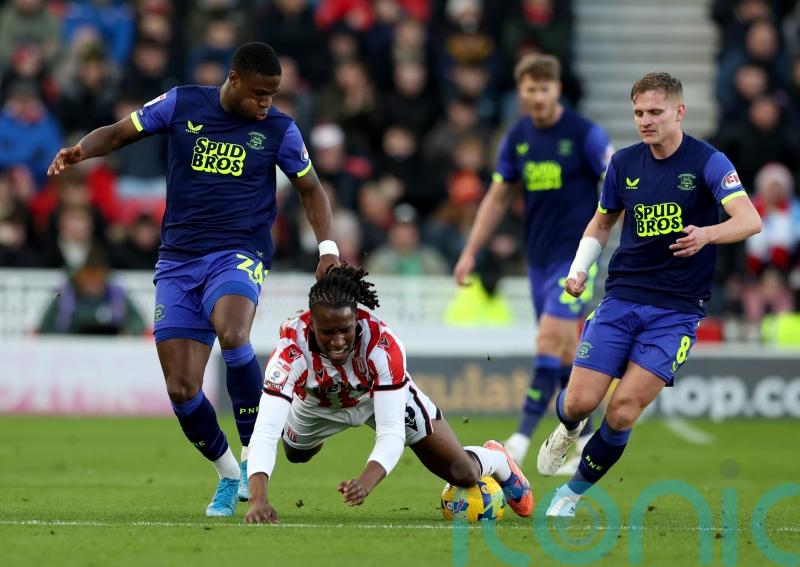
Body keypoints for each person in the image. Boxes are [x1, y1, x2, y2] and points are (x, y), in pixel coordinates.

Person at [47, 42, 340, 517]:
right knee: (182, 389)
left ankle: (253, 454)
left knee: (233, 333)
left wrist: (328, 248)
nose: (267, 104)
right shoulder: (182, 103)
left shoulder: (281, 130)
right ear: (234, 79)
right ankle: (227, 473)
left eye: (274, 95)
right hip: (179, 260)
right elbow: (122, 133)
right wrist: (81, 150)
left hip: (238, 253)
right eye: (260, 94)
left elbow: (311, 190)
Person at [536, 72, 761, 517]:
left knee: (621, 411)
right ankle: (569, 424)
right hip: (622, 298)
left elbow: (749, 219)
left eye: (655, 112)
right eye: (638, 112)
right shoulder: (623, 164)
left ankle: (570, 494)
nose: (645, 120)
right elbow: (602, 221)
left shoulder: (709, 162)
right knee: (580, 401)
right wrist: (580, 270)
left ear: (679, 111)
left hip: (677, 311)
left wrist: (707, 235)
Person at [244, 264, 533, 523]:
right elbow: (266, 431)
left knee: (463, 473)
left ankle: (497, 459)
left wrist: (365, 482)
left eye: (345, 329)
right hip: (317, 404)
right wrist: (258, 500)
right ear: (312, 324)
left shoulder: (382, 346)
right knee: (295, 454)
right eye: (327, 333)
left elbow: (391, 431)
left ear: (356, 318)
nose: (338, 341)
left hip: (374, 398)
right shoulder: (290, 351)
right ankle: (312, 438)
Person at [453, 54, 612, 469]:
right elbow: (497, 198)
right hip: (538, 261)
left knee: (547, 339)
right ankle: (587, 433)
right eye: (530, 89)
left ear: (556, 89)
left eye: (545, 88)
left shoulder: (584, 135)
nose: (538, 96)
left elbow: (615, 183)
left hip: (576, 258)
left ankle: (522, 437)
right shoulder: (517, 137)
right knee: (563, 352)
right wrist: (470, 251)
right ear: (520, 91)